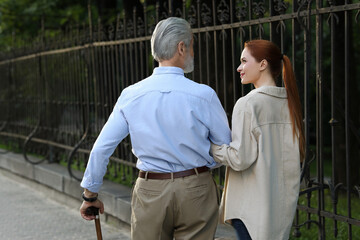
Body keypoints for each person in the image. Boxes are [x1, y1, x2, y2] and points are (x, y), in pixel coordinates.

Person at [79, 17, 231, 240]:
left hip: (151, 188)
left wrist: (90, 195)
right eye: (191, 46)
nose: (193, 53)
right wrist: (204, 165)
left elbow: (102, 148)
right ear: (181, 47)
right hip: (196, 188)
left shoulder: (131, 95)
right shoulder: (203, 95)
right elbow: (224, 147)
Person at [211, 39, 305, 240]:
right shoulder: (290, 103)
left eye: (244, 61)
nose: (239, 68)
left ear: (263, 64)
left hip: (250, 210)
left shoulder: (248, 104)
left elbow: (239, 158)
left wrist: (212, 148)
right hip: (280, 211)